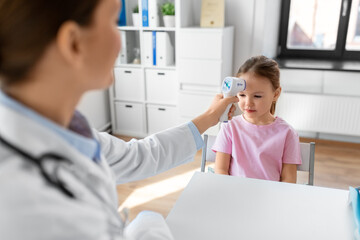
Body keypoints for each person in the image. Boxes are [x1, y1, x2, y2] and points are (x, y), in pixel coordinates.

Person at [0, 0, 238, 239]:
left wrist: (209, 118)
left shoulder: (65, 127)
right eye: (113, 22)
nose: (121, 41)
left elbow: (138, 156)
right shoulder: (23, 205)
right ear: (73, 43)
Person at [212, 56, 301, 183]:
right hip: (235, 195)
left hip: (270, 198)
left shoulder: (287, 133)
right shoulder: (229, 127)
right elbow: (221, 170)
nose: (248, 103)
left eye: (257, 96)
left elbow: (289, 180)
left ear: (275, 94)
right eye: (242, 95)